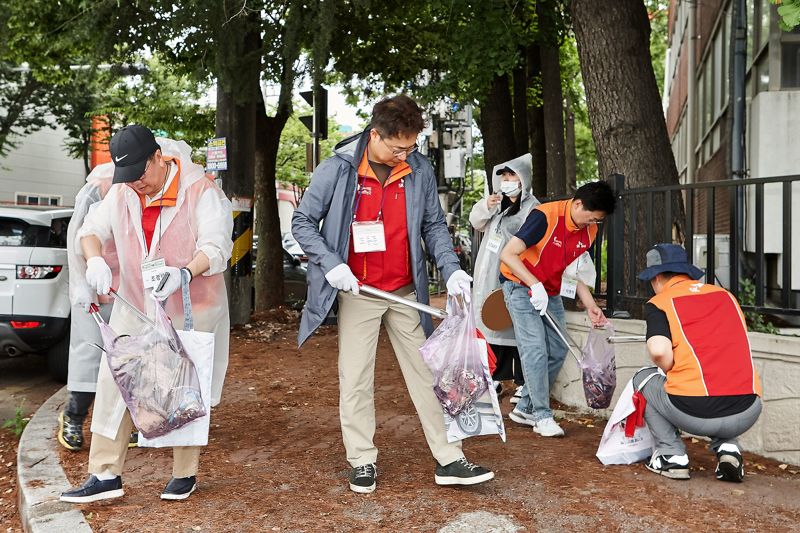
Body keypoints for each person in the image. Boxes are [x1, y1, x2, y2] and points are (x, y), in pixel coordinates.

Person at [292, 94, 494, 494]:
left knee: (428, 375)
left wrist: (453, 271)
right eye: (399, 146)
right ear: (375, 135)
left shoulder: (418, 170)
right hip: (359, 291)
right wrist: (332, 264)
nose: (406, 154)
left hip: (405, 289)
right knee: (356, 377)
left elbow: (434, 226)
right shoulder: (338, 169)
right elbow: (302, 222)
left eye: (412, 146)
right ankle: (362, 459)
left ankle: (450, 458)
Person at [60, 125, 233, 503]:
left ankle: (184, 472)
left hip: (190, 305)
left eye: (141, 174)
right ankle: (104, 475)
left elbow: (218, 246)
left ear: (158, 157)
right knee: (115, 380)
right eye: (129, 177)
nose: (137, 184)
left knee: (184, 386)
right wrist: (94, 262)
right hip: (135, 303)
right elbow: (90, 230)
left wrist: (184, 272)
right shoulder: (123, 191)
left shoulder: (200, 189)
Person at [634, 243, 762, 482]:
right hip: (748, 408)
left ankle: (671, 456)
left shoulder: (661, 302)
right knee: (720, 378)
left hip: (694, 411)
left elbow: (659, 351)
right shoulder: (726, 296)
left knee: (643, 379)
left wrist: (671, 369)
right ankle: (728, 449)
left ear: (658, 277)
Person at [499, 181, 616, 437]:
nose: (592, 224)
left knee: (557, 349)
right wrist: (533, 284)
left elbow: (568, 272)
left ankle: (526, 406)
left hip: (550, 288)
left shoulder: (590, 232)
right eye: (591, 218)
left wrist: (590, 304)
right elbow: (508, 254)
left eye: (597, 220)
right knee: (535, 349)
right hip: (518, 284)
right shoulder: (545, 216)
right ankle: (541, 416)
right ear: (577, 204)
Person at [58, 164, 139, 452]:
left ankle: (128, 423)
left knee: (129, 360)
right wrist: (82, 282)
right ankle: (74, 417)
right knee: (89, 356)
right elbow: (77, 237)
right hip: (94, 285)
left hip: (128, 291)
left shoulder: (145, 186)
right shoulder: (100, 188)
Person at [469, 154, 537, 399]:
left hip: (512, 272)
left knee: (515, 327)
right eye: (504, 176)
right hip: (487, 272)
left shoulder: (532, 207)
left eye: (512, 176)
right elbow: (476, 222)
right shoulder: (496, 203)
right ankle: (494, 378)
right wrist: (486, 205)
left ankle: (522, 383)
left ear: (523, 179)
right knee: (491, 323)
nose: (507, 181)